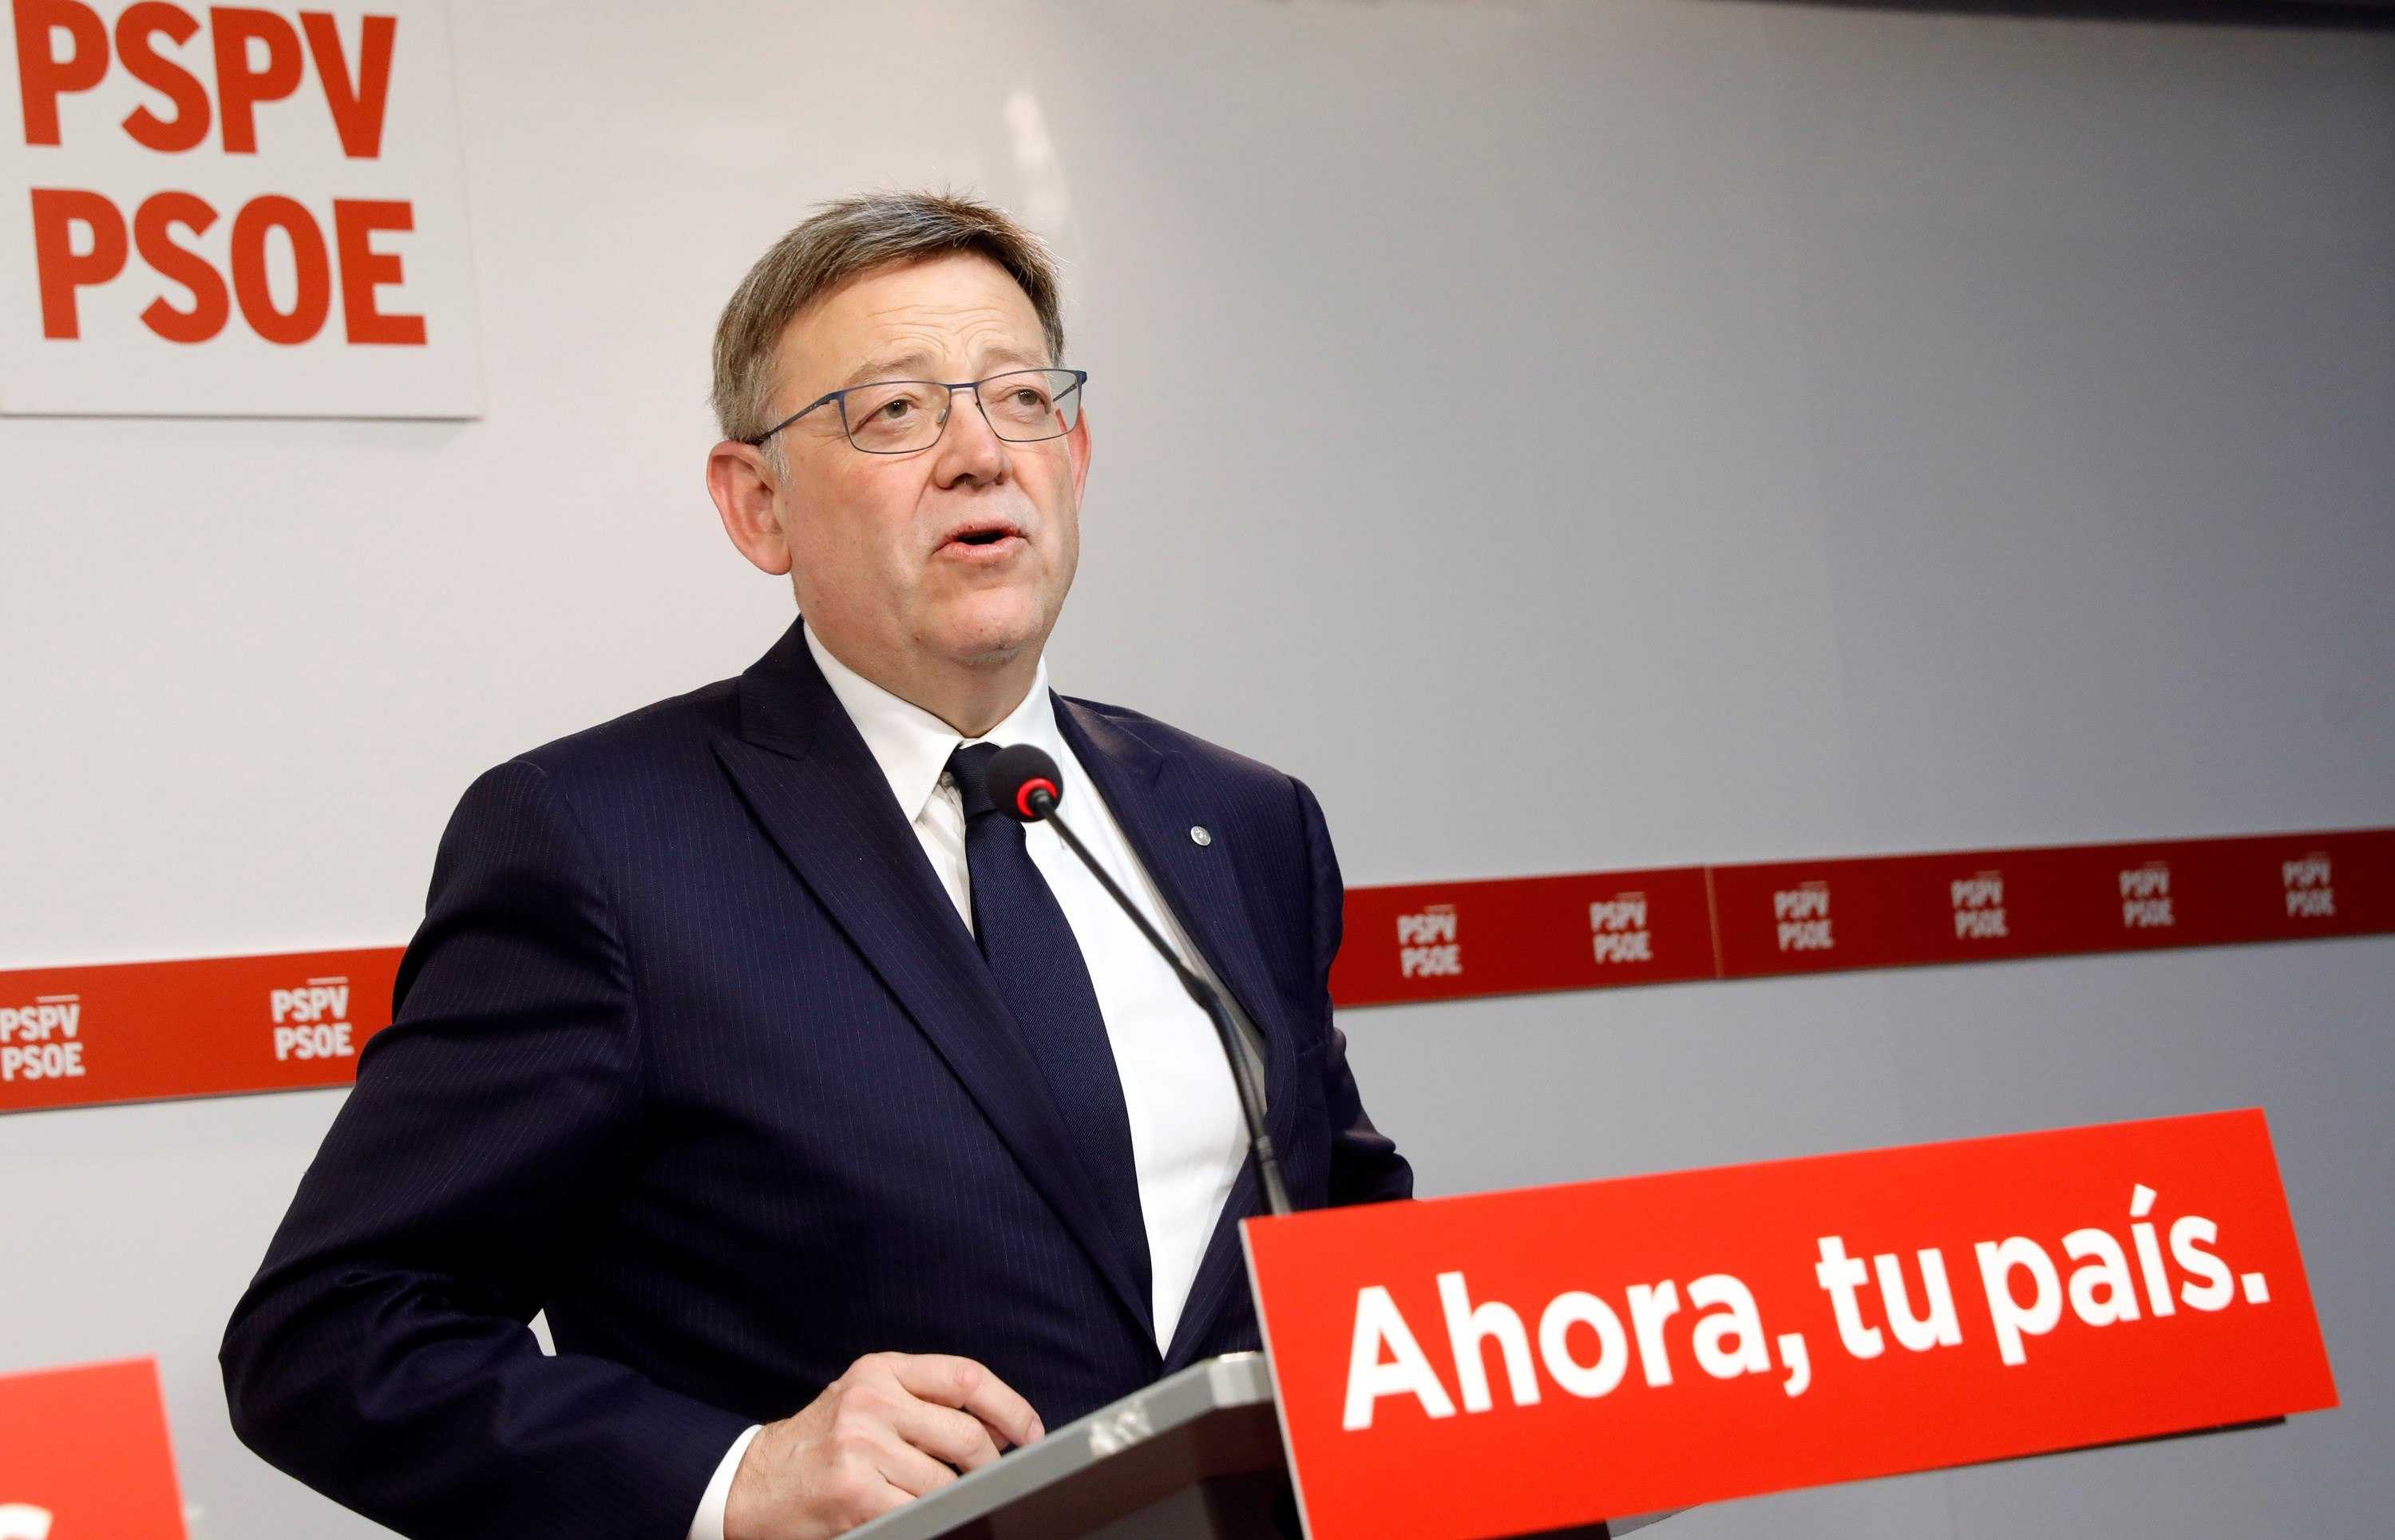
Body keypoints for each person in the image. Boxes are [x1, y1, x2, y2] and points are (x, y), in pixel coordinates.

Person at [221, 189, 1411, 1540]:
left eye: (1021, 398)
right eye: (895, 412)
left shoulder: (1241, 818)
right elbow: (331, 1335)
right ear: (757, 504)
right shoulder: (601, 844)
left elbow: (1337, 1221)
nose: (979, 454)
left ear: (1074, 450)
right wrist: (736, 1477)